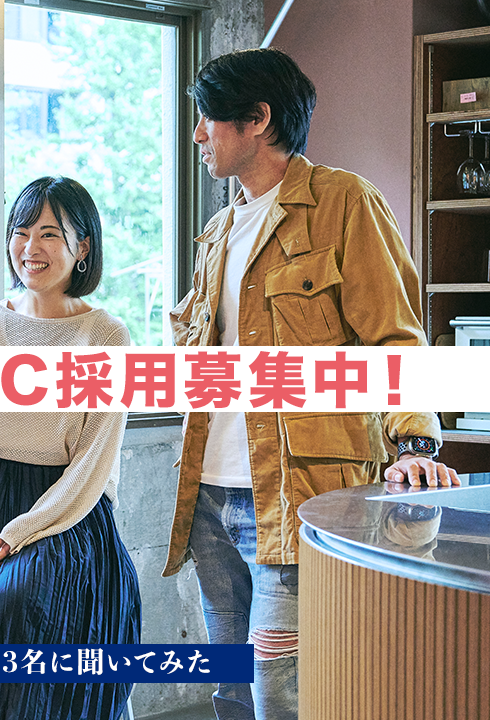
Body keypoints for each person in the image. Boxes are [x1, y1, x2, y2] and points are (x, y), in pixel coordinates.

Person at [166, 47, 461, 720]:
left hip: (298, 495)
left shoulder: (344, 202)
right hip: (210, 496)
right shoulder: (217, 231)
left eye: (208, 117)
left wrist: (415, 444)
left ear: (257, 119)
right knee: (230, 691)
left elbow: (395, 336)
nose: (198, 133)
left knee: (283, 694)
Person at [0, 176, 140, 720]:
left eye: (49, 234)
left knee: (21, 604)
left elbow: (92, 467)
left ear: (82, 246)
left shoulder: (106, 336)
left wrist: (18, 534)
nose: (30, 248)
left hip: (66, 512)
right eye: (21, 232)